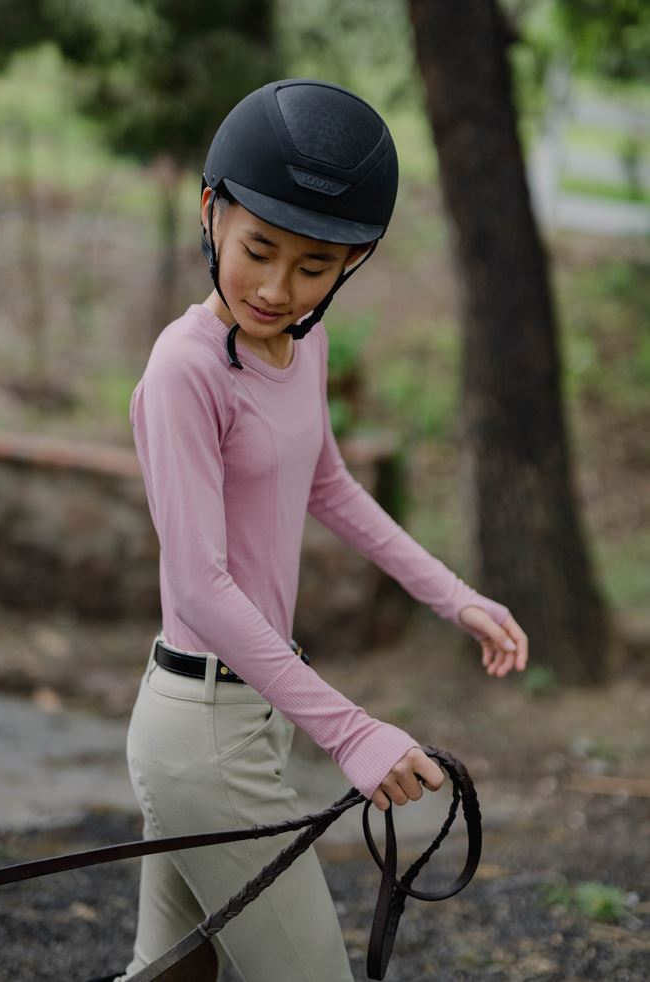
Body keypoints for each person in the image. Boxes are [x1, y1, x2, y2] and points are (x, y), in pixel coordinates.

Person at [120, 79, 528, 982]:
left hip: (252, 714)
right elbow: (197, 584)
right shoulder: (185, 370)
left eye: (313, 266)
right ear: (210, 212)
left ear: (353, 262)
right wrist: (349, 734)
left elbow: (331, 487)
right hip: (202, 732)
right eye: (258, 250)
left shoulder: (300, 343)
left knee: (168, 978)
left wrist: (452, 597)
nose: (276, 288)